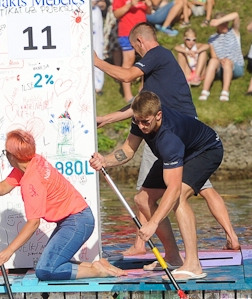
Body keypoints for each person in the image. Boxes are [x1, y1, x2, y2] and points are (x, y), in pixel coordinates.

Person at [92, 22, 242, 252]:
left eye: (134, 48)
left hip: (171, 135)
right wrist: (107, 119)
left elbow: (126, 76)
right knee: (200, 189)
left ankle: (150, 247)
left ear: (140, 42)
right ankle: (232, 238)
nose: (136, 54)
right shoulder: (156, 75)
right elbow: (139, 106)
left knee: (162, 195)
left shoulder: (156, 54)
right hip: (182, 132)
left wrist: (95, 61)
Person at [90, 91, 223, 280]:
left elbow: (174, 189)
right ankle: (173, 257)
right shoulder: (140, 120)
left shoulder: (170, 138)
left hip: (205, 151)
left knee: (178, 198)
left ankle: (193, 265)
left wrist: (152, 224)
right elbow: (128, 150)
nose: (142, 127)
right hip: (180, 151)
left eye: (147, 122)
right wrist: (105, 161)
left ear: (158, 115)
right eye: (138, 121)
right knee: (142, 199)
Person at [0, 129, 123, 280]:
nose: (6, 156)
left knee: (46, 271)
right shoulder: (33, 161)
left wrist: (8, 251)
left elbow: (33, 223)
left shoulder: (32, 181)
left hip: (77, 221)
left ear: (13, 156)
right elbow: (4, 186)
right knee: (50, 265)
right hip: (75, 219)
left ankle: (98, 271)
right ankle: (97, 265)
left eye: (6, 152)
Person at [111, 0, 149, 101]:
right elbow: (116, 13)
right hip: (126, 32)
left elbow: (148, 11)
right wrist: (129, 5)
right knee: (128, 61)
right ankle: (128, 96)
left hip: (143, 32)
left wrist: (148, 4)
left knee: (147, 60)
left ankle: (143, 92)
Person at [200, 11, 243, 102]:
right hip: (220, 66)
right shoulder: (212, 38)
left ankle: (225, 91)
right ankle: (205, 91)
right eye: (222, 24)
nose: (225, 25)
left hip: (235, 66)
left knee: (227, 61)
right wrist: (220, 60)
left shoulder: (233, 32)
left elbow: (236, 15)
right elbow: (214, 56)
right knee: (212, 61)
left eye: (226, 23)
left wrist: (220, 20)